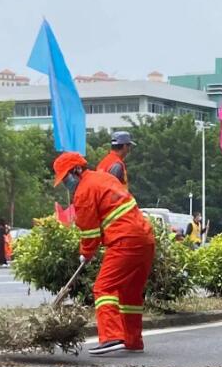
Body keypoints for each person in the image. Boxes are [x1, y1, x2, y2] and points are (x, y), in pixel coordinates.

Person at [53, 152, 155, 355]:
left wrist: (86, 252)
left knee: (103, 288)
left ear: (76, 170)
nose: (66, 183)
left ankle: (111, 337)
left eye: (66, 177)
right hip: (145, 239)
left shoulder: (84, 191)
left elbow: (89, 229)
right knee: (130, 293)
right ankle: (133, 341)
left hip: (124, 240)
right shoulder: (104, 177)